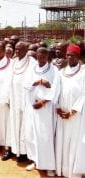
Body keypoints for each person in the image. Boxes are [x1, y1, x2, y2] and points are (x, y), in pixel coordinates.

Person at [24, 47, 60, 176]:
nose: (41, 58)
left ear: (48, 56)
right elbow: (26, 84)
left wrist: (44, 101)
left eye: (44, 56)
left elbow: (55, 88)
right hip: (32, 106)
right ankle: (35, 161)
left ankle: (49, 165)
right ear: (36, 56)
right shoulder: (31, 68)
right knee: (31, 135)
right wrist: (38, 81)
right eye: (39, 55)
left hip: (45, 107)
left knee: (45, 136)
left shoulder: (54, 70)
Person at [55, 44, 85, 178]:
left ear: (78, 57)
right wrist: (58, 108)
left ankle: (72, 172)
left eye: (72, 55)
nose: (69, 57)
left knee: (74, 141)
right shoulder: (61, 72)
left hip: (76, 114)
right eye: (68, 55)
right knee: (62, 140)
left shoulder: (84, 72)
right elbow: (57, 91)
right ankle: (61, 170)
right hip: (62, 113)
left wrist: (72, 111)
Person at [9, 41, 37, 162]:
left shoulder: (32, 62)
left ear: (26, 50)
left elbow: (34, 81)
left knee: (26, 125)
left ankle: (25, 153)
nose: (17, 51)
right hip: (15, 97)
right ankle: (16, 151)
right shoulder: (13, 62)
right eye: (16, 49)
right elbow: (9, 80)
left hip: (26, 99)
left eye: (20, 49)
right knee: (15, 123)